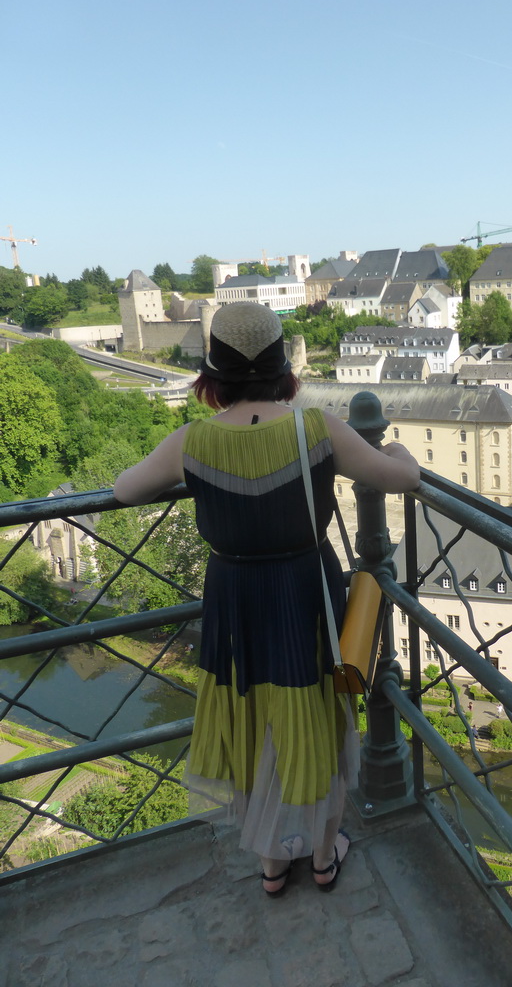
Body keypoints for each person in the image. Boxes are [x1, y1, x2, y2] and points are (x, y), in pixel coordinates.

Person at [114, 303, 419, 896]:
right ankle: (325, 858)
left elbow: (126, 489)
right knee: (320, 722)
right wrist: (401, 453)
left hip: (235, 601)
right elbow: (400, 478)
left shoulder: (192, 440)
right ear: (285, 369)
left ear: (214, 376)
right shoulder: (318, 429)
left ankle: (273, 865)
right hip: (306, 591)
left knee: (251, 724)